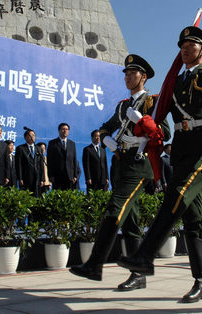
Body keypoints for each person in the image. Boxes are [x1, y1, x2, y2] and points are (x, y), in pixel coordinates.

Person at [118, 26, 202, 303]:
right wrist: (141, 122)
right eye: (182, 45)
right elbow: (158, 121)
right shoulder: (173, 82)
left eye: (191, 44)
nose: (185, 48)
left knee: (177, 194)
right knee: (192, 219)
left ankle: (145, 254)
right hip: (182, 147)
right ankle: (201, 281)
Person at [70, 54, 170, 293]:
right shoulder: (122, 106)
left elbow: (163, 133)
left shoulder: (152, 103)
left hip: (139, 164)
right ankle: (139, 275)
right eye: (125, 73)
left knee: (115, 207)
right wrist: (107, 140)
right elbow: (106, 126)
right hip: (121, 163)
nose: (127, 77)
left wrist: (143, 121)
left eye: (132, 73)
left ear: (143, 77)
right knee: (131, 221)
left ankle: (95, 264)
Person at [47, 123, 81, 190]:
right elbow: (50, 161)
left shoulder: (72, 144)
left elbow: (74, 160)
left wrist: (75, 175)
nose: (65, 131)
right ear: (59, 131)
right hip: (57, 176)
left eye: (67, 129)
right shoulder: (52, 143)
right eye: (63, 129)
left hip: (70, 176)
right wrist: (51, 175)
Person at [15, 127, 44, 197]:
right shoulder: (21, 148)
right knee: (26, 196)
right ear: (25, 137)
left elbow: (41, 165)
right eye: (30, 135)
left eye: (33, 135)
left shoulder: (38, 148)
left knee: (36, 196)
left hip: (37, 177)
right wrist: (20, 178)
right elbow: (19, 164)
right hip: (26, 177)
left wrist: (42, 179)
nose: (32, 137)